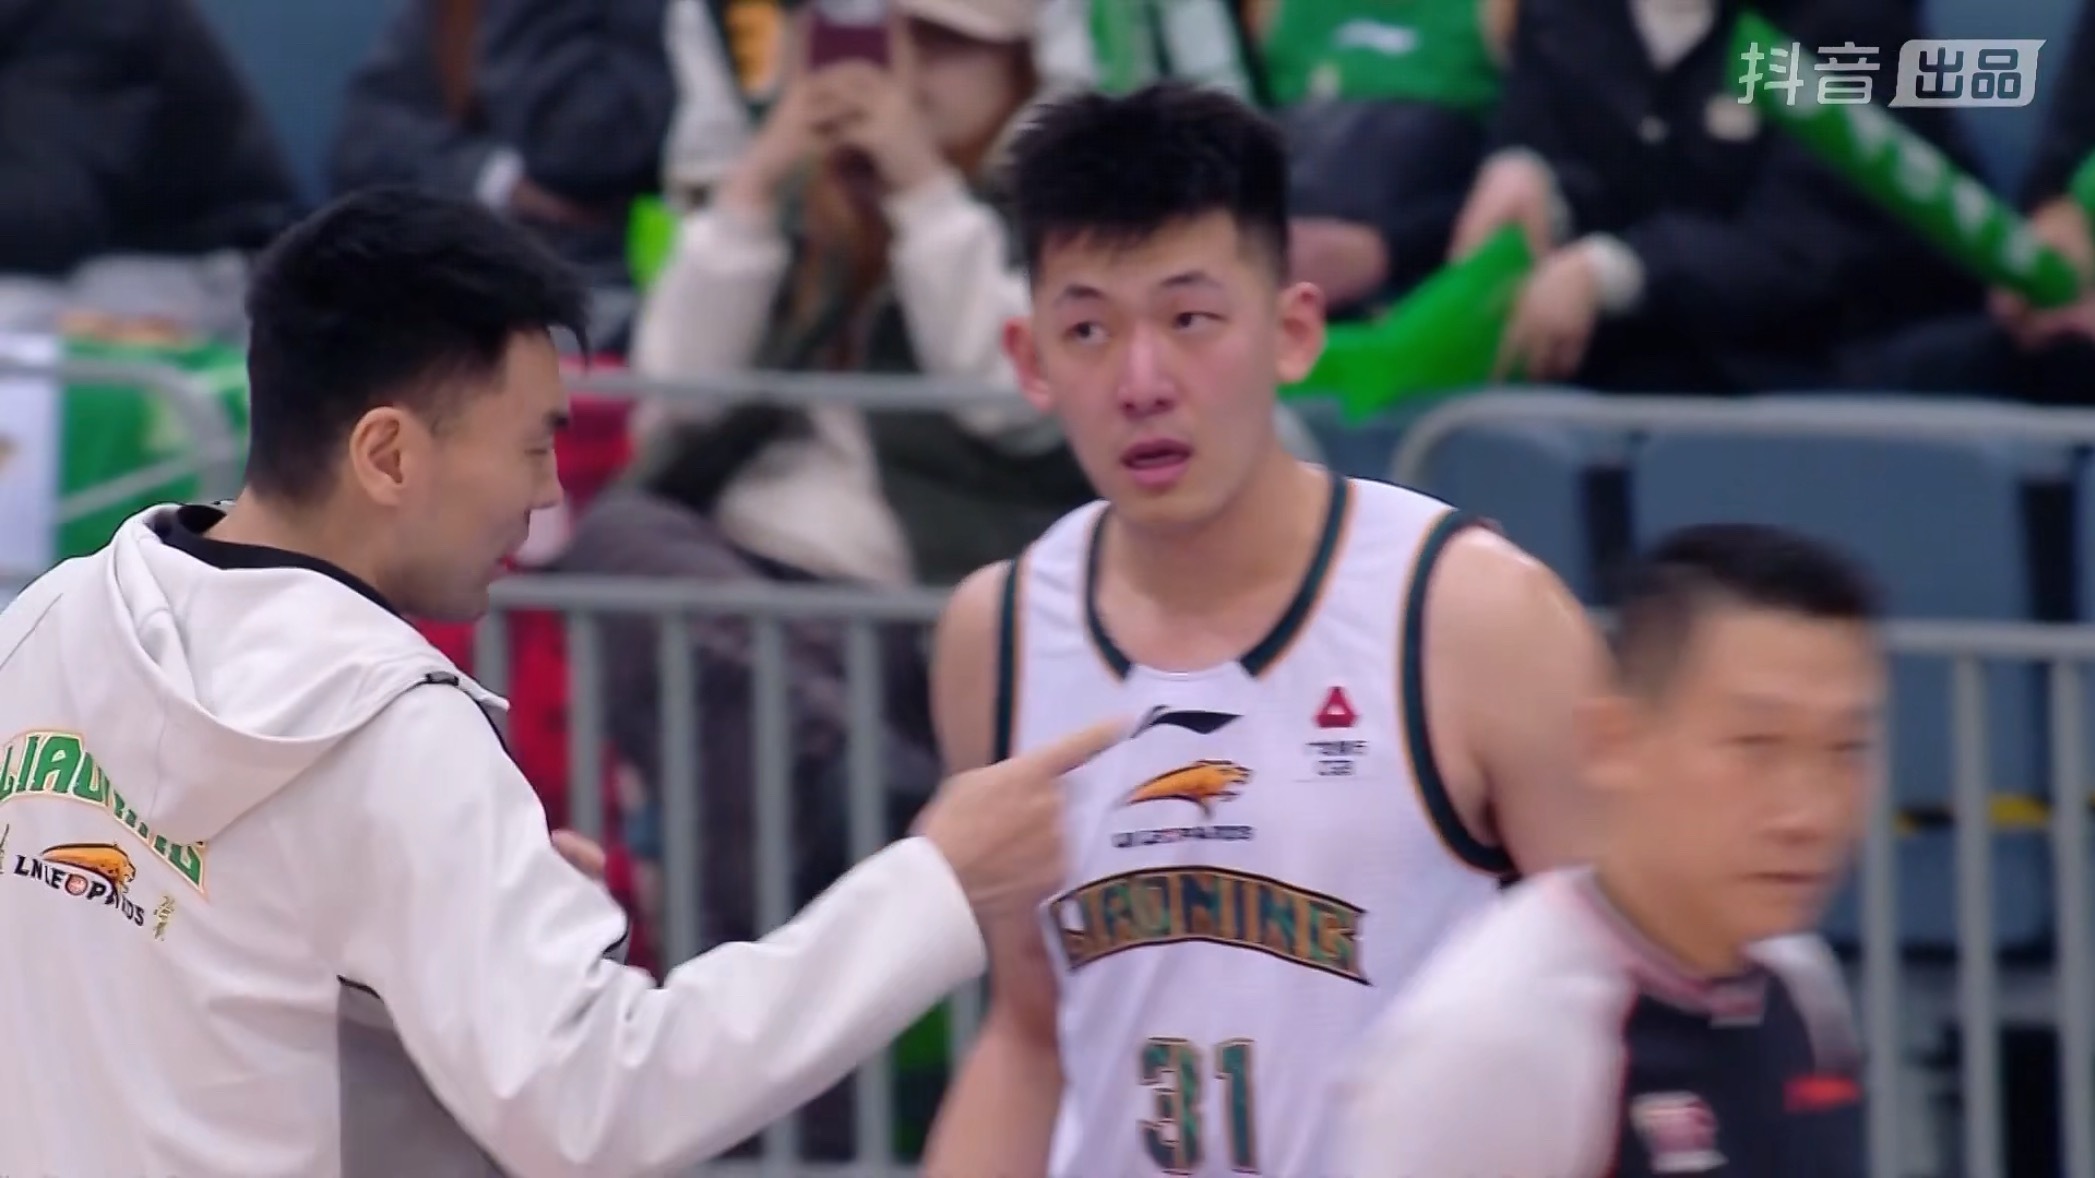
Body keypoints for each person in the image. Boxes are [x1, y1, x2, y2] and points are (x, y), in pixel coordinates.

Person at [0, 186, 1119, 1177]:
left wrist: (444, 934)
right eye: (532, 445)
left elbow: (206, 971)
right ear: (388, 455)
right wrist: (936, 882)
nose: (545, 494)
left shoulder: (45, 621)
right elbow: (601, 1106)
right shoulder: (394, 739)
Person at [920, 82, 1604, 1178]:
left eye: (1189, 320)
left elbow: (1621, 997)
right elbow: (1028, 1035)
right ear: (1029, 358)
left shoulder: (1473, 616)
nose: (1142, 382)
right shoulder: (993, 635)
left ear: (1291, 332)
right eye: (1089, 329)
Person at [1336, 523, 1880, 1177]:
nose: (1807, 814)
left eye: (1845, 749)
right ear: (1615, 741)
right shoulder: (1497, 1041)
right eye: (1755, 746)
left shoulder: (1800, 981)